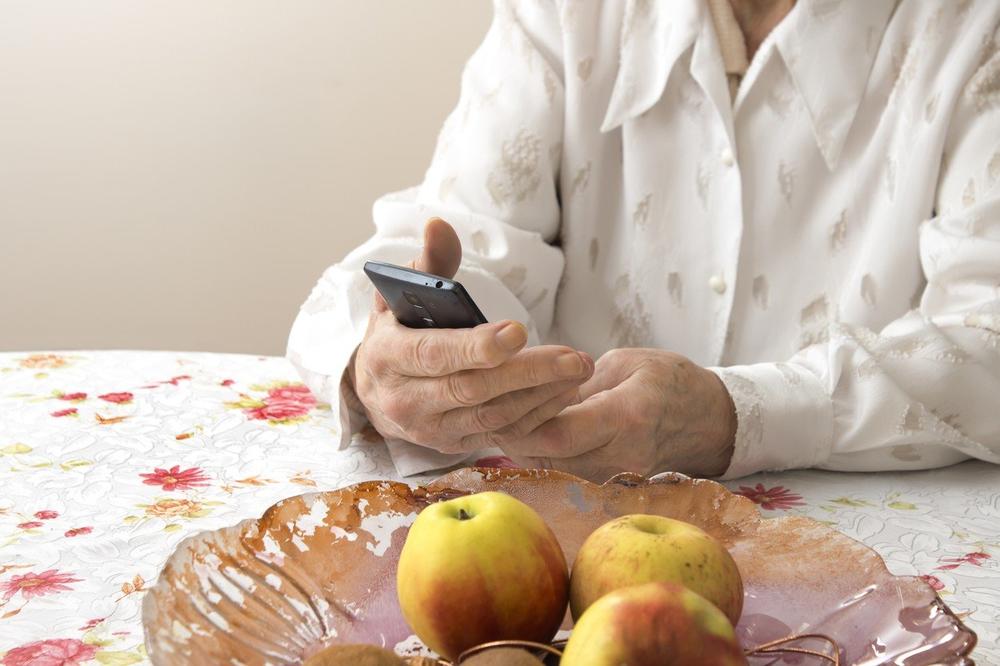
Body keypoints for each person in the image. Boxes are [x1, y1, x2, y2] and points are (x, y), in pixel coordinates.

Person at [288, 0, 1000, 481]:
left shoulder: (974, 29)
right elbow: (461, 241)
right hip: (569, 565)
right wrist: (381, 363)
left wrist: (738, 415)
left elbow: (988, 337)